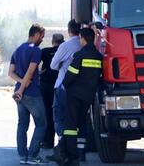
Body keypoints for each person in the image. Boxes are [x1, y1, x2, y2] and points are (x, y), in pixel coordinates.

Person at [57, 28, 103, 166]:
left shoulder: (80, 55)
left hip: (75, 95)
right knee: (82, 122)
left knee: (70, 125)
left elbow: (71, 75)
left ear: (82, 38)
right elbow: (100, 77)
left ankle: (71, 156)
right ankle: (81, 153)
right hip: (88, 96)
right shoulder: (98, 56)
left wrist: (64, 84)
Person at [8, 24, 48, 165]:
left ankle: (23, 156)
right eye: (42, 36)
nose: (42, 39)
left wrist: (19, 85)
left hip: (19, 93)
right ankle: (33, 156)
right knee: (42, 124)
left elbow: (10, 73)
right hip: (31, 93)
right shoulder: (35, 51)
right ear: (36, 34)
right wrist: (22, 89)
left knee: (22, 124)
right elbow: (30, 72)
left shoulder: (17, 50)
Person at [48, 20, 81, 161]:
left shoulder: (65, 46)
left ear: (69, 30)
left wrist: (63, 63)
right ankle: (75, 151)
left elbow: (53, 66)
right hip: (79, 88)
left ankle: (62, 149)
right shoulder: (84, 45)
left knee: (60, 117)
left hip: (62, 87)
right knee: (74, 120)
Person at [40, 33, 64, 149]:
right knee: (60, 115)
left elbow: (34, 65)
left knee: (47, 114)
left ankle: (48, 142)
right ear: (62, 41)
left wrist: (39, 74)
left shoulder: (45, 51)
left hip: (45, 87)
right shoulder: (65, 51)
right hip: (59, 87)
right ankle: (62, 142)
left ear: (52, 41)